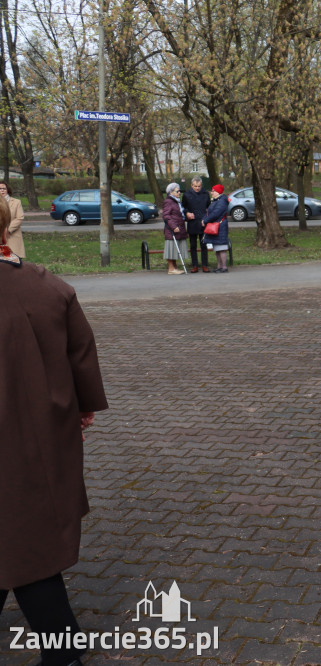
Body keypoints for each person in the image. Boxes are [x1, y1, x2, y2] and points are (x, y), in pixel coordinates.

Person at [0, 196, 108, 666]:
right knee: (28, 548)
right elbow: (81, 355)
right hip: (39, 443)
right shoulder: (50, 287)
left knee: (24, 551)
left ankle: (64, 653)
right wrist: (80, 410)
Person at [182, 176, 211, 272]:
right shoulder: (186, 195)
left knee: (204, 245)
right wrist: (187, 213)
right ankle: (195, 265)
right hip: (192, 222)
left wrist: (207, 216)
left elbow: (209, 206)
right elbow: (183, 207)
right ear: (191, 185)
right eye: (195, 186)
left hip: (203, 222)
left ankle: (204, 265)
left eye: (199, 186)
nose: (197, 188)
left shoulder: (206, 194)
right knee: (193, 245)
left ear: (201, 185)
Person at [161, 182, 188, 275]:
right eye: (177, 191)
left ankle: (175, 267)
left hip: (179, 228)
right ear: (171, 192)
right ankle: (171, 268)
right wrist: (173, 226)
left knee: (175, 249)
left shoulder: (176, 201)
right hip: (172, 229)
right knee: (171, 248)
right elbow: (166, 215)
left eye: (179, 191)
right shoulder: (168, 202)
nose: (179, 192)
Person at [203, 184, 230, 273]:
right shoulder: (216, 200)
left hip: (220, 227)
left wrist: (205, 220)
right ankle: (219, 266)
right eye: (212, 191)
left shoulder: (221, 201)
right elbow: (209, 212)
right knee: (217, 248)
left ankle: (224, 267)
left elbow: (215, 213)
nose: (212, 193)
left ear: (218, 192)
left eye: (214, 191)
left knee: (221, 248)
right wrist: (204, 219)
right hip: (217, 227)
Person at [0, 181, 25, 258]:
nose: (2, 190)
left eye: (4, 188)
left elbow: (20, 218)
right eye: (0, 189)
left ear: (8, 190)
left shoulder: (16, 202)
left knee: (14, 261)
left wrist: (8, 229)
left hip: (12, 235)